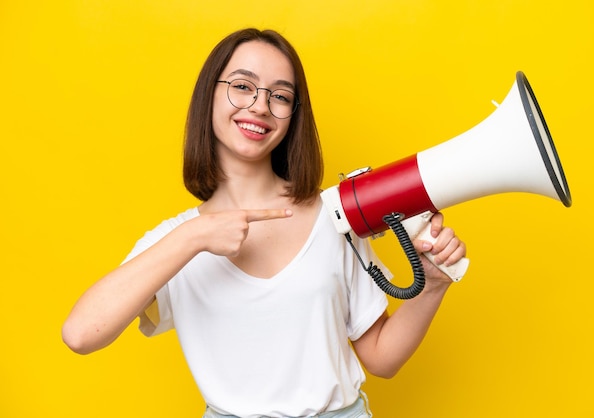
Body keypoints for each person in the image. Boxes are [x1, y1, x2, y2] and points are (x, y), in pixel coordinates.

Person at [62, 28, 467, 417]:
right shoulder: (176, 241)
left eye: (280, 95)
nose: (259, 105)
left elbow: (381, 357)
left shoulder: (334, 216)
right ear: (209, 96)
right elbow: (81, 334)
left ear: (293, 115)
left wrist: (431, 285)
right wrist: (196, 235)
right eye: (242, 86)